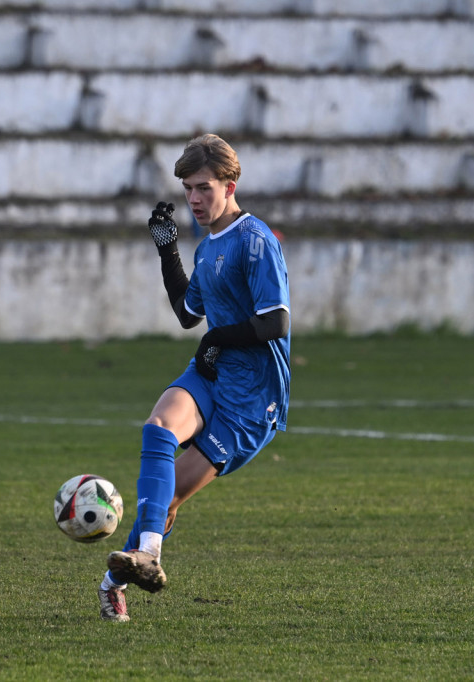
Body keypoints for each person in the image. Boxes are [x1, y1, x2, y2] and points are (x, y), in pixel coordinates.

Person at [98, 134, 291, 622]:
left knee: (167, 501)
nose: (195, 199)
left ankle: (112, 583)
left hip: (252, 399)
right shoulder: (208, 247)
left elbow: (276, 323)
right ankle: (149, 556)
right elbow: (189, 314)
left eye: (204, 187)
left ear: (230, 184)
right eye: (188, 189)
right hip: (212, 372)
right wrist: (167, 248)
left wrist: (214, 340)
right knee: (158, 430)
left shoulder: (256, 240)